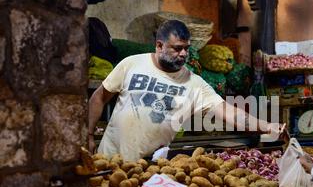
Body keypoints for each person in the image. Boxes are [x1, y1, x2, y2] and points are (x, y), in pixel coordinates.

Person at [88, 20, 284, 161]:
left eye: (186, 48)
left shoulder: (194, 83)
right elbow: (99, 98)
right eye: (177, 48)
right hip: (108, 159)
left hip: (149, 166)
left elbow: (230, 112)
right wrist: (88, 135)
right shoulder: (131, 64)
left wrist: (267, 126)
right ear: (159, 45)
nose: (183, 54)